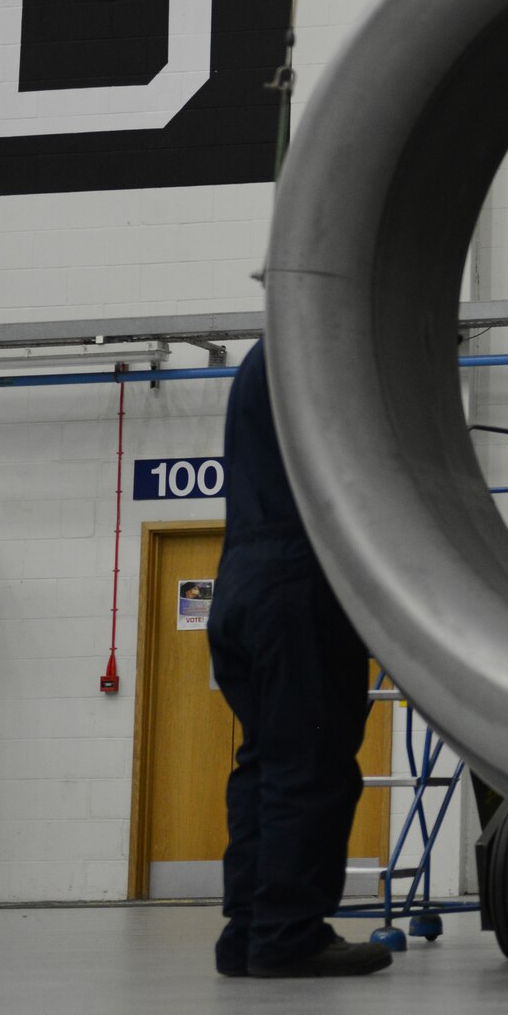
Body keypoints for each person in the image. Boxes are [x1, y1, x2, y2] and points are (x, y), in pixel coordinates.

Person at [206, 339, 391, 978]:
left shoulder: (263, 356)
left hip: (240, 577)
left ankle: (249, 933)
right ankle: (289, 935)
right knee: (311, 766)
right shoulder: (314, 347)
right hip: (295, 578)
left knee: (266, 762)